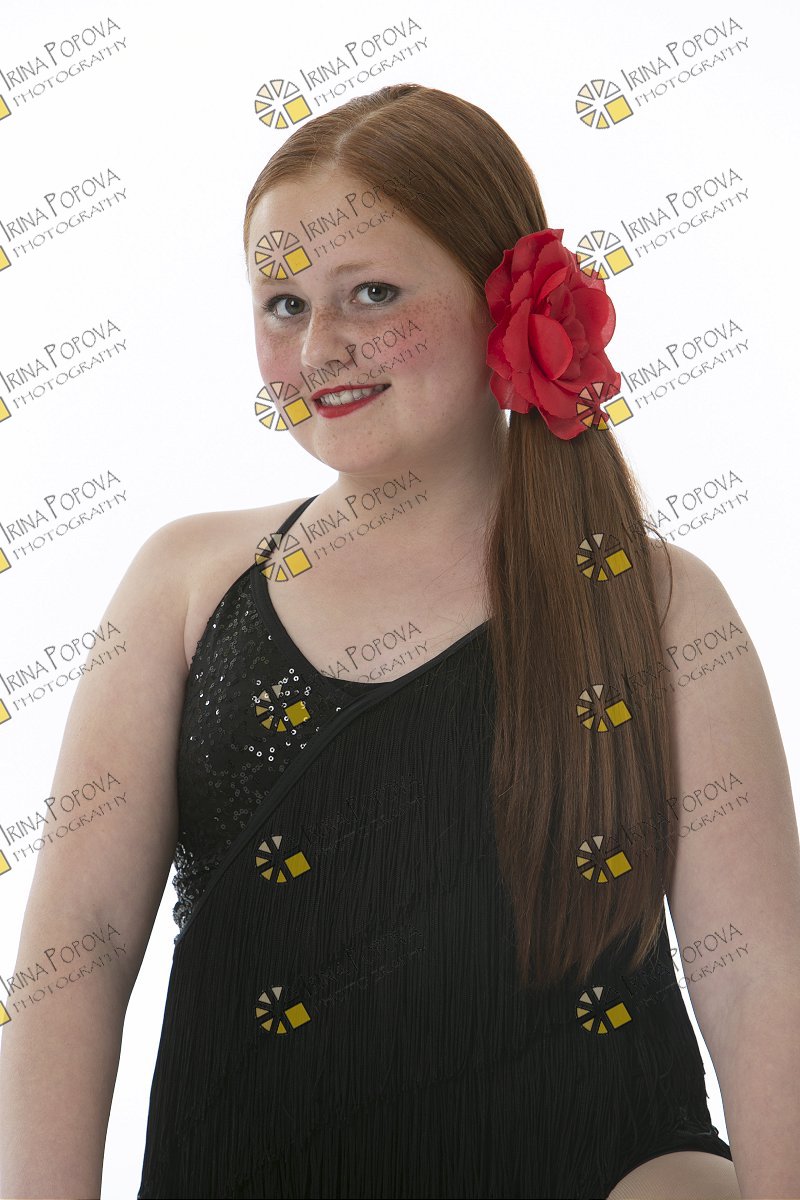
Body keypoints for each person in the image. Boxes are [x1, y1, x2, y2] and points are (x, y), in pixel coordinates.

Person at [1, 82, 798, 1200]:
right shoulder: (188, 583)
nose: (319, 346)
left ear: (502, 300)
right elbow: (75, 950)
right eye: (283, 304)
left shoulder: (654, 603)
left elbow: (757, 974)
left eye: (370, 294)